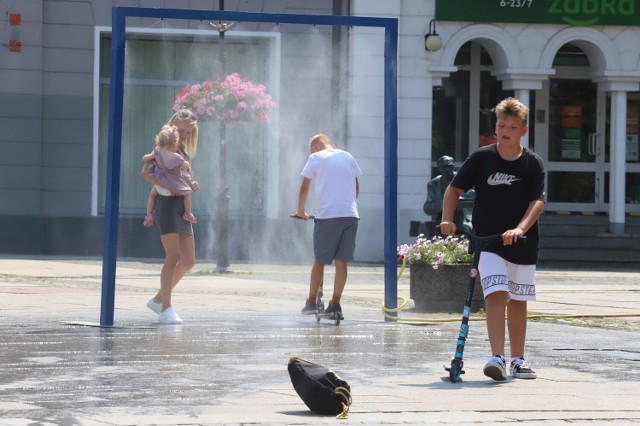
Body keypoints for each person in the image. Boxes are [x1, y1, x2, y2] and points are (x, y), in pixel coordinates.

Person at [439, 97, 545, 381]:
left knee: (518, 300)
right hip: (487, 241)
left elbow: (537, 201)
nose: (505, 130)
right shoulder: (482, 158)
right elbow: (453, 190)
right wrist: (447, 219)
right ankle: (496, 357)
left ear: (523, 130)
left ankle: (518, 360)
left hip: (522, 243)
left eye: (512, 126)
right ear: (495, 127)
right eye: (501, 125)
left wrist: (520, 229)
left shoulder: (532, 163)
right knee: (497, 295)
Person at [141, 109, 201, 324]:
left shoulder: (182, 151)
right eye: (181, 130)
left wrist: (190, 184)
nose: (184, 135)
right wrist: (171, 186)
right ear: (172, 126)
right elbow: (145, 173)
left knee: (188, 260)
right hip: (167, 205)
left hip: (182, 207)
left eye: (188, 132)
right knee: (172, 258)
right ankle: (166, 308)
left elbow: (183, 178)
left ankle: (158, 300)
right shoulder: (162, 147)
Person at [295, 134, 363, 320]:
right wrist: (347, 205)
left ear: (316, 147)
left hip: (328, 216)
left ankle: (310, 302)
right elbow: (356, 187)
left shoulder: (315, 157)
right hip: (350, 215)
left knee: (320, 260)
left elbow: (304, 188)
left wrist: (301, 211)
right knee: (341, 261)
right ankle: (335, 305)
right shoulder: (347, 156)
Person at [143, 124, 197, 225]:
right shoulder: (177, 157)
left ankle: (149, 214)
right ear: (174, 144)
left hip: (160, 186)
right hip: (174, 186)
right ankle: (188, 213)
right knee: (187, 194)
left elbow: (145, 158)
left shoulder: (157, 152)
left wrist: (150, 157)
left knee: (152, 196)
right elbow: (186, 166)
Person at [423, 155, 473, 237]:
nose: (447, 169)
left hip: (463, 217)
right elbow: (427, 208)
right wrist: (443, 203)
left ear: (453, 166)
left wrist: (457, 199)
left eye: (449, 166)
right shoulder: (433, 184)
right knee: (428, 228)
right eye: (443, 167)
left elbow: (472, 196)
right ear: (439, 169)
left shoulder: (463, 179)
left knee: (465, 229)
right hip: (440, 219)